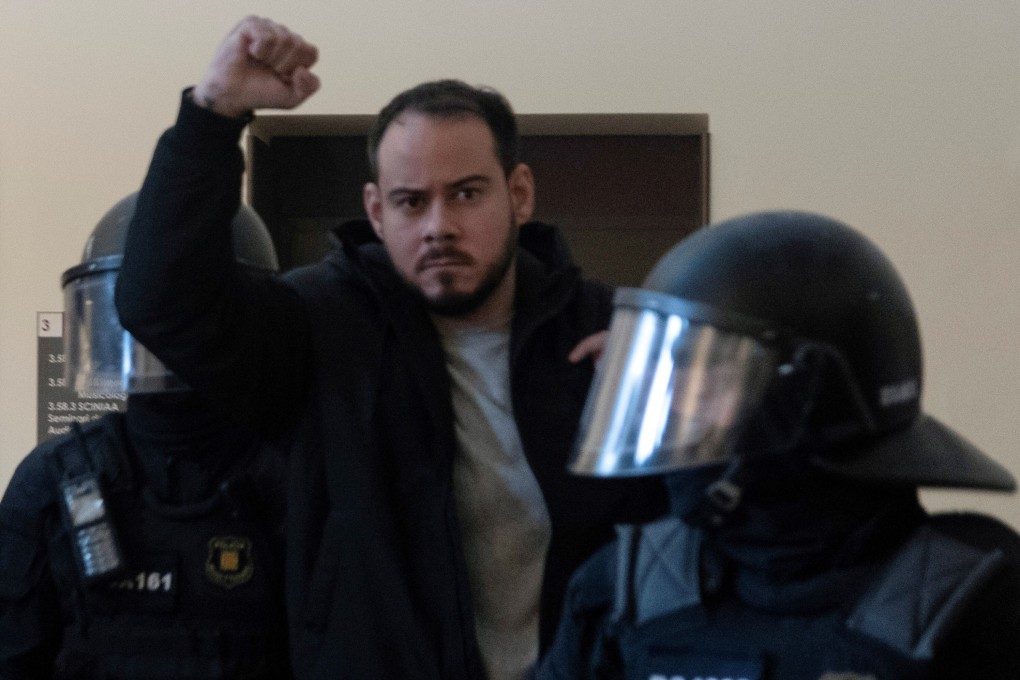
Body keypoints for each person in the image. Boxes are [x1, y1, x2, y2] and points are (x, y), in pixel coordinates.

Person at [113, 15, 668, 680]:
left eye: (465, 194)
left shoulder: (609, 330)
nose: (439, 227)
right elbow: (160, 301)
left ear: (518, 194)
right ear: (376, 213)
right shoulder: (319, 329)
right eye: (411, 202)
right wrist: (213, 114)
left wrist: (681, 396)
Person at [537, 210, 1020, 680]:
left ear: (808, 396)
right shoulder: (626, 591)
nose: (676, 410)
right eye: (670, 380)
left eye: (706, 380)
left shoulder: (981, 602)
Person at [0, 193, 291, 679]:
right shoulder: (52, 482)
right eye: (145, 314)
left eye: (188, 315)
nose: (163, 340)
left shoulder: (291, 477)